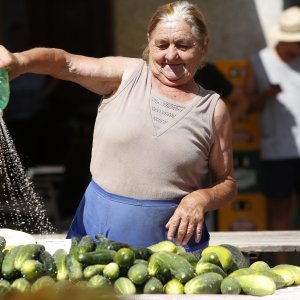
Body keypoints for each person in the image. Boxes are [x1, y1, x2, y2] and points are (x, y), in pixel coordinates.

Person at [0, 1, 237, 252]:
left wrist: (200, 198)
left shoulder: (212, 108)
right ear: (149, 41)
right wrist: (19, 61)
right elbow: (65, 63)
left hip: (172, 251)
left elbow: (227, 182)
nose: (170, 55)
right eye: (161, 44)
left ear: (203, 46)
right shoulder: (126, 76)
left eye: (183, 45)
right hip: (95, 235)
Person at [244, 6, 300, 262]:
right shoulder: (259, 62)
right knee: (280, 213)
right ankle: (283, 269)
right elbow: (245, 106)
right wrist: (264, 96)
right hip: (276, 151)